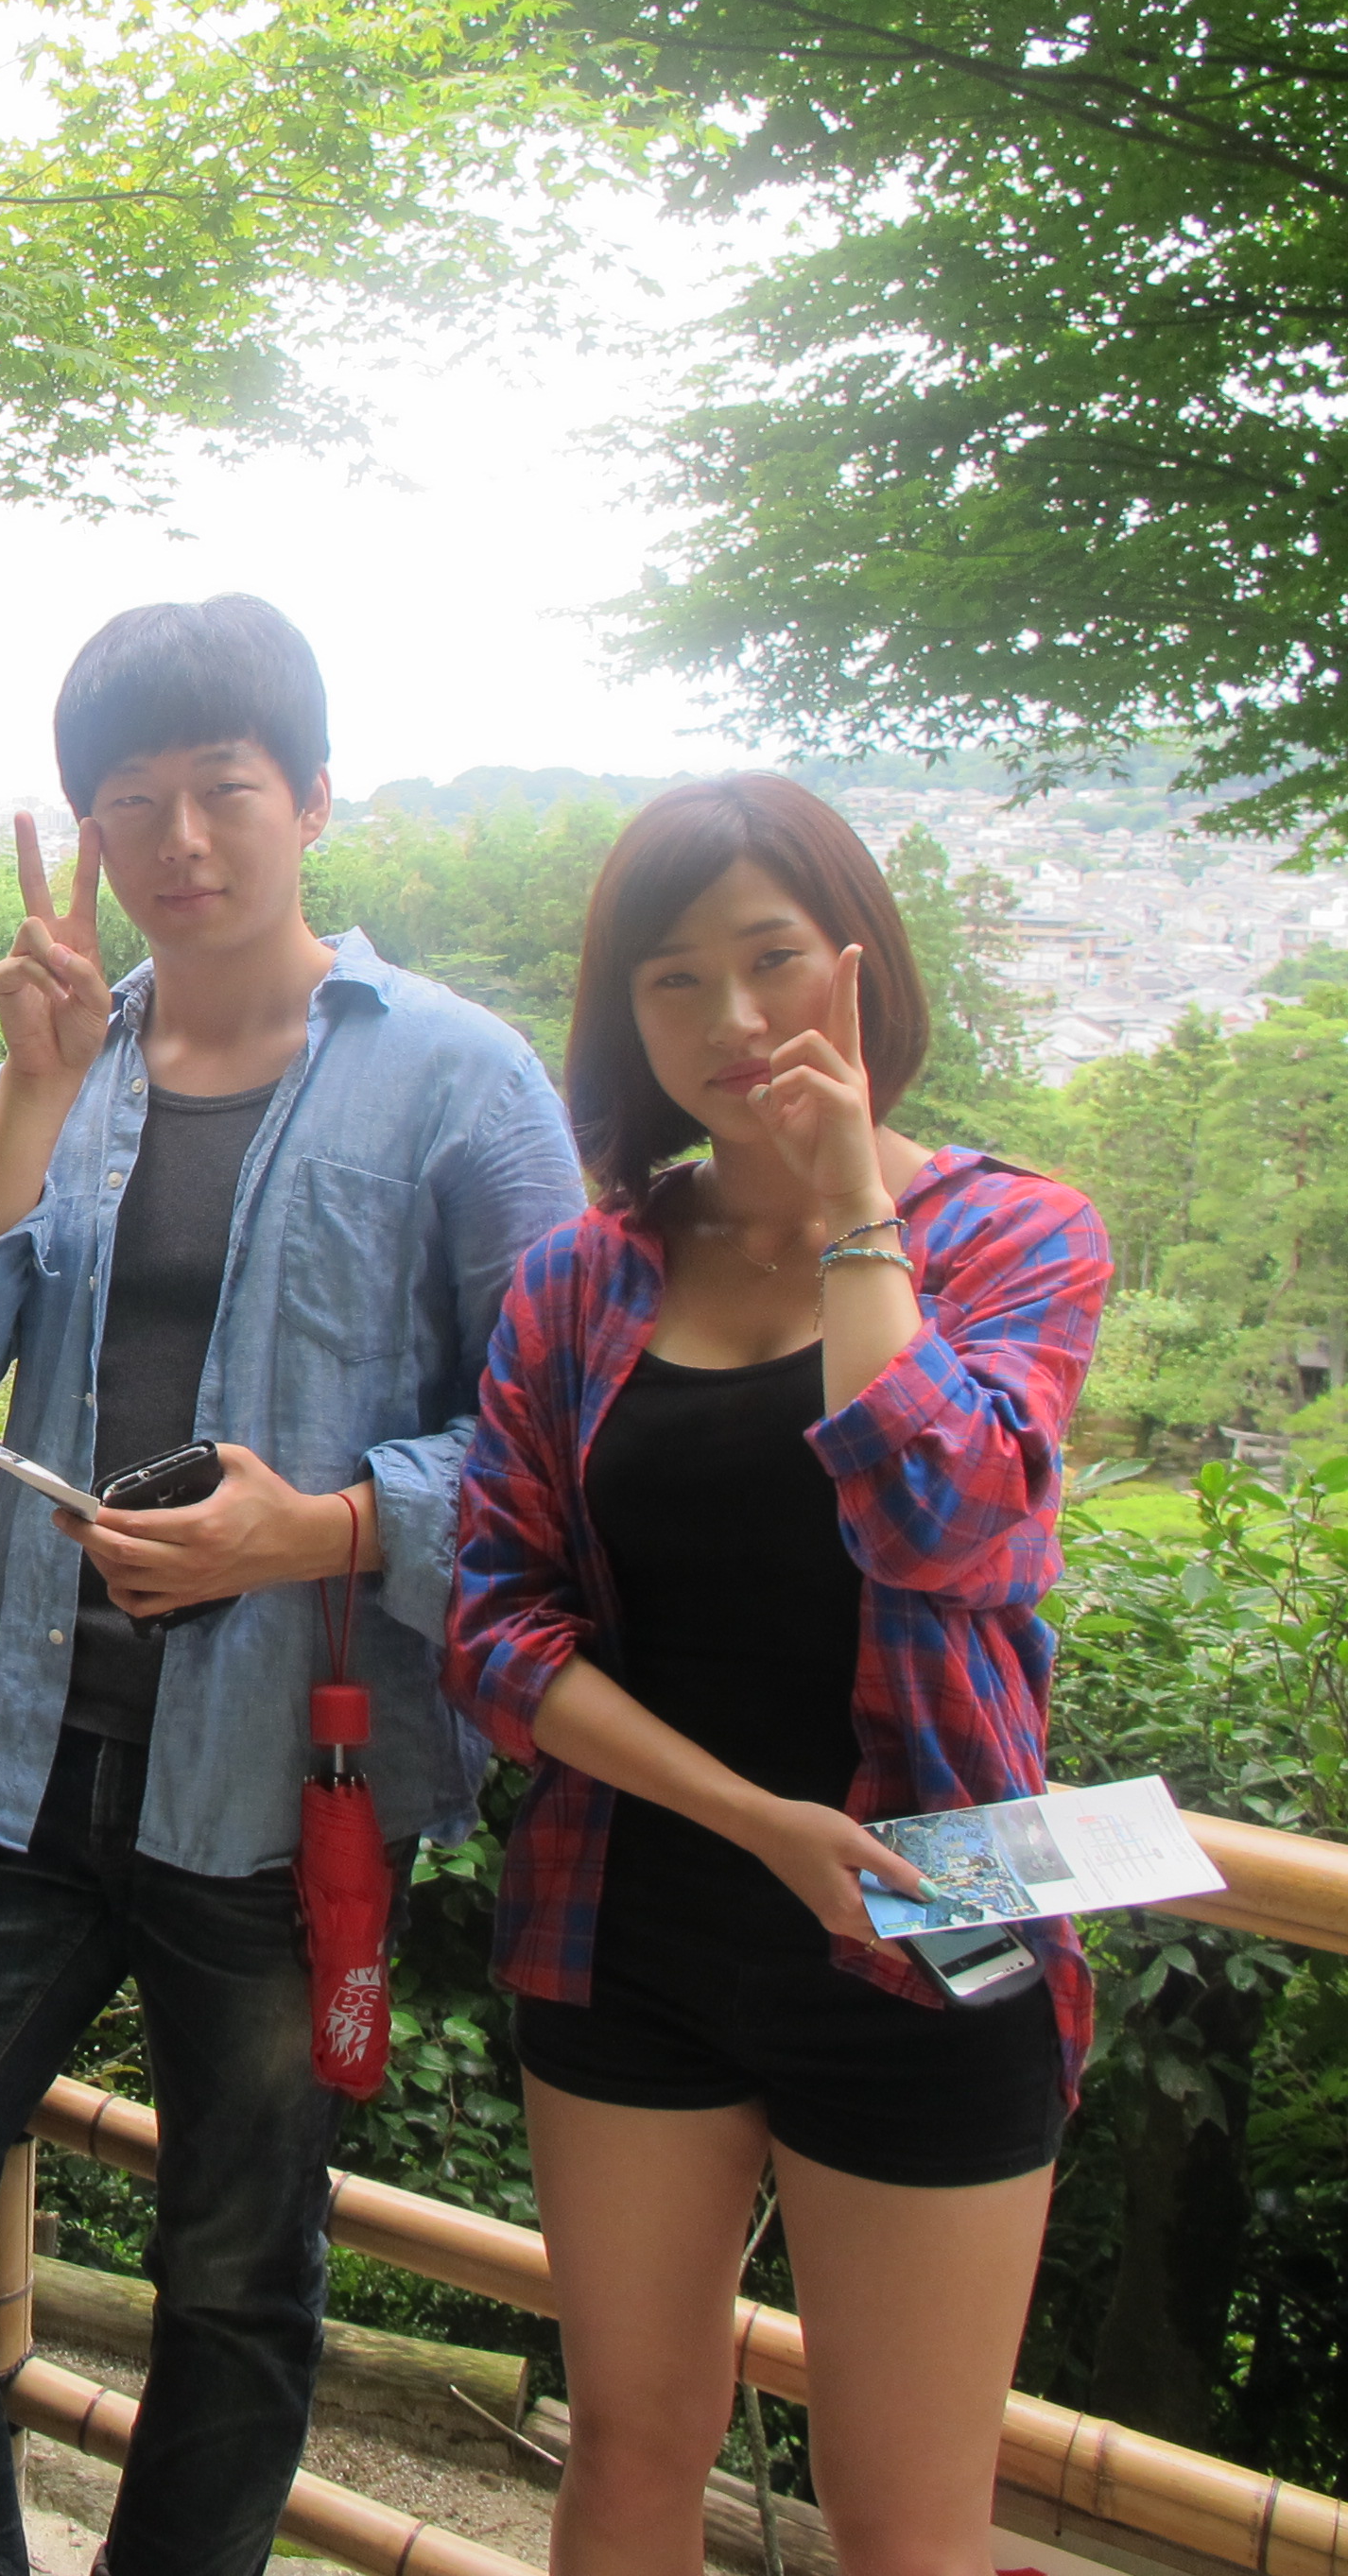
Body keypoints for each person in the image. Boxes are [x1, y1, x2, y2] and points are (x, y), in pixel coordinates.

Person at [0, 597, 584, 2576]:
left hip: (284, 1794)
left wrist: (324, 1526)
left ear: (313, 797)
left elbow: (564, 1443)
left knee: (232, 2282)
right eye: (131, 802)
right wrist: (24, 1091)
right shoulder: (81, 1059)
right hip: (22, 1758)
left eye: (225, 789)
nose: (181, 840)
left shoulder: (460, 1082)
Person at [445, 774, 1113, 2576]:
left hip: (932, 1923)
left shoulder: (1015, 1237)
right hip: (627, 1920)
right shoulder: (582, 1278)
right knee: (625, 2451)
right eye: (672, 978)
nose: (730, 1019)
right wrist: (756, 1821)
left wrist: (851, 1214)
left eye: (770, 959)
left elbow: (940, 1527)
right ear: (625, 1017)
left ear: (858, 965)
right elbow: (494, 1629)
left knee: (902, 2525)